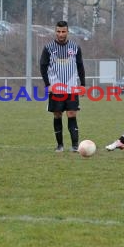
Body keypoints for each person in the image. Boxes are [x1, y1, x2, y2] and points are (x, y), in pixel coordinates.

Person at [39, 20, 86, 152]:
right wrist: (47, 85)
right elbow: (43, 67)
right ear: (55, 32)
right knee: (57, 114)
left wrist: (82, 84)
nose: (61, 34)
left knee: (72, 113)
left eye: (63, 31)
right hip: (56, 88)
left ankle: (75, 145)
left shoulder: (75, 47)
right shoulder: (48, 48)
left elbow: (80, 66)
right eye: (58, 31)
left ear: (67, 32)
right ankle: (60, 146)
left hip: (71, 87)